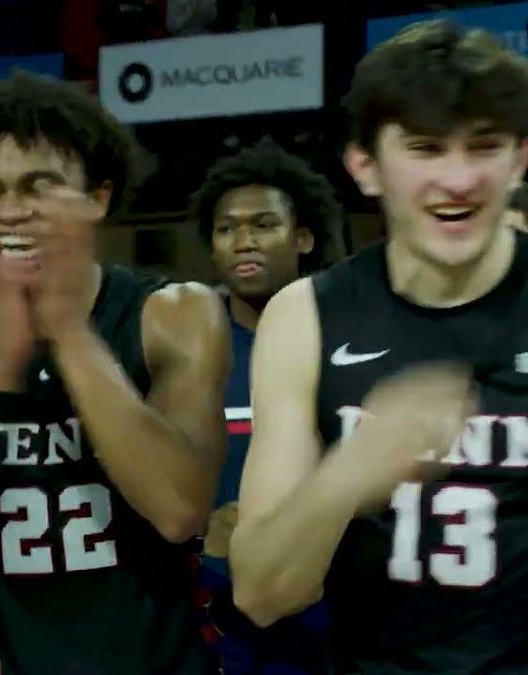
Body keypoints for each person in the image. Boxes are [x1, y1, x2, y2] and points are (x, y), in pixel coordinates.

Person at [229, 19, 528, 673]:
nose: (457, 180)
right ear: (365, 166)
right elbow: (263, 594)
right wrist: (351, 469)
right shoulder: (307, 317)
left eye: (482, 147)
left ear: (519, 158)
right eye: (426, 149)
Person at [0, 72, 229, 674]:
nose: (9, 212)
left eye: (38, 186)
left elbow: (179, 511)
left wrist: (69, 332)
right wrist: (2, 373)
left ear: (98, 198)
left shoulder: (173, 314)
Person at [187, 139, 338, 674]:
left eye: (263, 225)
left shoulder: (342, 337)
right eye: (227, 229)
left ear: (303, 237)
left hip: (323, 604)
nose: (243, 242)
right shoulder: (182, 341)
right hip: (207, 608)